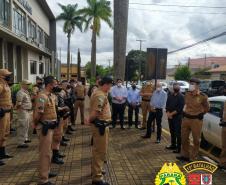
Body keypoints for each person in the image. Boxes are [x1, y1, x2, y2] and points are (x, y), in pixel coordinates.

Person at [87, 76, 113, 185]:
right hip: (100, 126)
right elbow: (96, 112)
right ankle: (97, 178)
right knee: (99, 151)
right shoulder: (100, 95)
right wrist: (89, 120)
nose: (111, 87)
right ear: (106, 84)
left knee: (99, 150)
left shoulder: (99, 93)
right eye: (110, 85)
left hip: (101, 125)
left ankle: (97, 171)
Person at [176, 78, 209, 162]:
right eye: (190, 83)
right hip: (186, 118)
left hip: (196, 120)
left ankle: (193, 157)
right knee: (184, 138)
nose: (190, 85)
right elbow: (186, 105)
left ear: (197, 85)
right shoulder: (187, 94)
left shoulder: (203, 96)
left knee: (196, 140)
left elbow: (207, 107)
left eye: (192, 84)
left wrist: (201, 114)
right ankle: (185, 155)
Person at [33, 76, 58, 185]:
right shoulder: (42, 96)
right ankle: (43, 179)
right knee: (45, 153)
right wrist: (35, 124)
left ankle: (46, 172)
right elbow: (38, 114)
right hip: (45, 127)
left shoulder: (51, 95)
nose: (56, 86)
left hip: (51, 126)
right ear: (49, 85)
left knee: (49, 152)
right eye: (55, 84)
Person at [165, 82, 184, 153]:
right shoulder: (170, 95)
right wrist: (168, 113)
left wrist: (171, 114)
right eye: (174, 86)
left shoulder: (181, 97)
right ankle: (173, 145)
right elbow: (167, 105)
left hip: (177, 117)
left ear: (179, 88)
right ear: (173, 88)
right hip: (170, 117)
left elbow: (180, 108)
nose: (175, 87)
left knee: (177, 133)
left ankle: (179, 148)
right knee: (172, 131)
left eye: (177, 86)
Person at [0, 69, 13, 166]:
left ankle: (2, 153)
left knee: (5, 133)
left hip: (8, 113)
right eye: (7, 75)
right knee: (0, 134)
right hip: (2, 114)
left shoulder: (6, 84)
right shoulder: (0, 85)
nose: (9, 76)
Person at [16, 80, 33, 148]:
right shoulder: (20, 92)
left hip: (27, 111)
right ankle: (20, 142)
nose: (28, 85)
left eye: (29, 84)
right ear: (23, 85)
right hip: (23, 111)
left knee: (26, 125)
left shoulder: (26, 92)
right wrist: (20, 110)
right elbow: (18, 103)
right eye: (27, 84)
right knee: (22, 126)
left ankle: (25, 138)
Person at [219, 101, 226, 170]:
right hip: (224, 127)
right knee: (224, 146)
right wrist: (222, 120)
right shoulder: (224, 102)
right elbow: (221, 114)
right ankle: (222, 163)